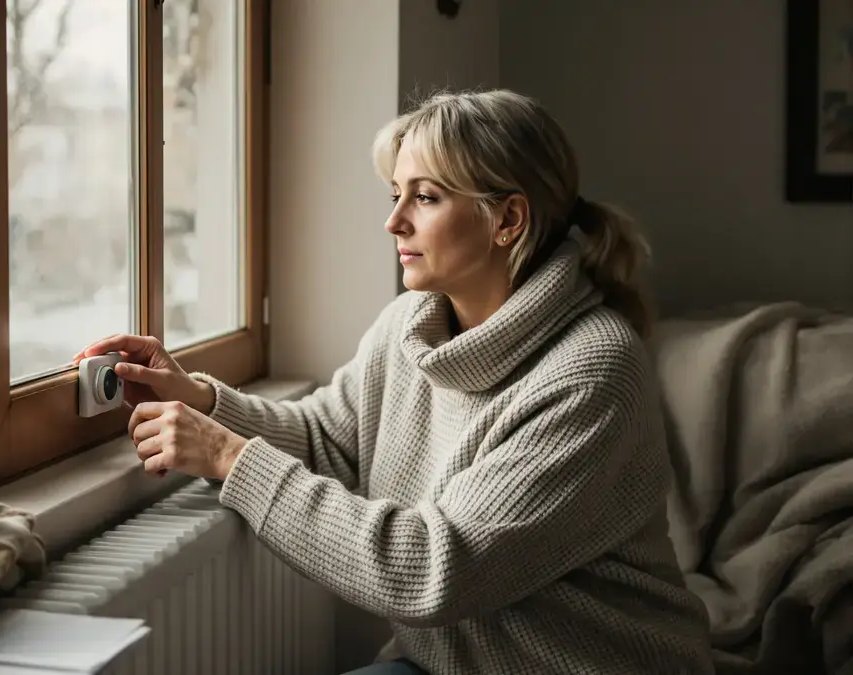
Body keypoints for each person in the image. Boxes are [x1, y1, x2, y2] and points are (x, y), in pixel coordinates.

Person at [75, 89, 714, 675]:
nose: (394, 222)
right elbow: (329, 439)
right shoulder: (412, 325)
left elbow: (437, 570)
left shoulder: (592, 370)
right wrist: (202, 401)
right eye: (395, 195)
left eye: (426, 197)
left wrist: (227, 457)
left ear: (508, 220)